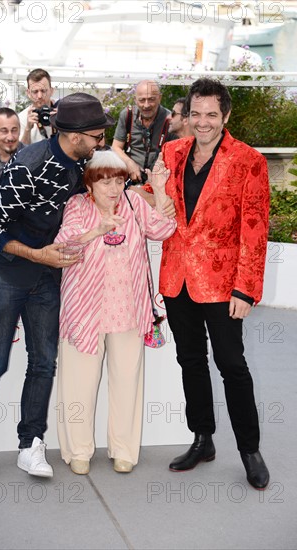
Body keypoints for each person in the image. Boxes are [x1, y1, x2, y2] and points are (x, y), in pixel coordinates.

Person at [0, 92, 115, 489]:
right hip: (7, 273)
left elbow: (120, 178)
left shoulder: (82, 161)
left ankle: (31, 443)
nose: (101, 139)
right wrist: (36, 254)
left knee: (44, 361)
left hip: (47, 276)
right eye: (97, 134)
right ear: (75, 134)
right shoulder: (27, 165)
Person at [152, 78, 270, 490]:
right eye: (196, 114)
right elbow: (157, 202)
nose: (202, 123)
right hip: (177, 277)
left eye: (211, 115)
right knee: (190, 360)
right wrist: (148, 186)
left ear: (226, 116)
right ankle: (202, 439)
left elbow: (254, 229)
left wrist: (246, 288)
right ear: (187, 114)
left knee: (232, 366)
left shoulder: (248, 161)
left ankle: (250, 450)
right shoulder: (170, 152)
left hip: (223, 284)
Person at [54, 149, 176, 475]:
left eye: (119, 180)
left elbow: (165, 229)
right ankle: (78, 450)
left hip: (128, 310)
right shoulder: (78, 206)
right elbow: (65, 243)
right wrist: (97, 230)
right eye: (105, 180)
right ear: (90, 183)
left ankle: (123, 449)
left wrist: (160, 189)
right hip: (85, 311)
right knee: (78, 384)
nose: (112, 188)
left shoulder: (135, 205)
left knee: (126, 383)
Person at [112, 80, 171, 183]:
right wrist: (129, 163)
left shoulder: (169, 119)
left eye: (151, 99)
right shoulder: (127, 115)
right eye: (142, 100)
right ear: (135, 100)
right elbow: (116, 147)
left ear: (159, 98)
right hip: (131, 178)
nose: (146, 105)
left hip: (160, 180)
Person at [18, 68, 57, 145]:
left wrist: (63, 125)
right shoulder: (22, 118)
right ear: (28, 93)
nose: (39, 96)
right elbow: (21, 153)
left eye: (43, 91)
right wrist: (27, 129)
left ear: (51, 91)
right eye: (35, 92)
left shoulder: (61, 112)